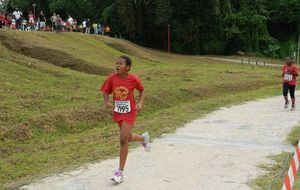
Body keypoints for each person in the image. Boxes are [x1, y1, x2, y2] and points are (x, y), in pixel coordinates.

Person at [100, 55, 150, 184]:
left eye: (121, 64)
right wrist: (107, 102)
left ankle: (119, 173)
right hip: (118, 111)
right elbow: (105, 91)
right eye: (116, 63)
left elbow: (142, 90)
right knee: (126, 137)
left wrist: (140, 103)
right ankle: (143, 139)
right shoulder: (111, 78)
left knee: (123, 139)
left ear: (127, 67)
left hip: (130, 111)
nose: (117, 65)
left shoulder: (133, 79)